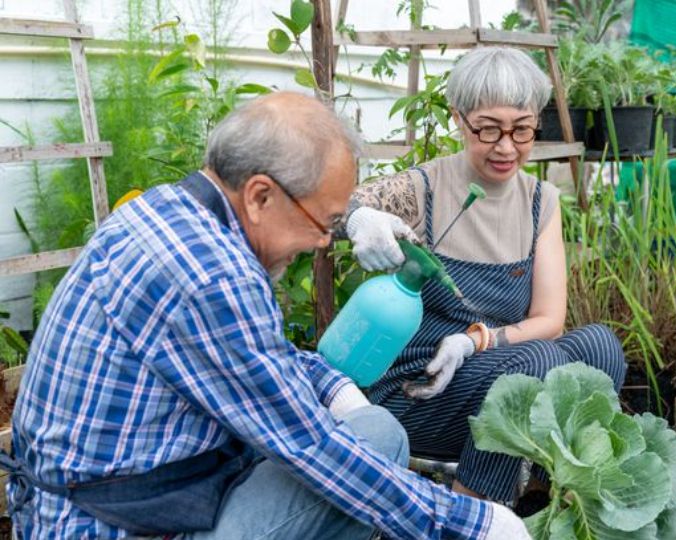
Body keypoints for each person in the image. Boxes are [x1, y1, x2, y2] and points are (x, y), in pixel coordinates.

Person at [2, 92, 529, 539]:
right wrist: (471, 523)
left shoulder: (169, 210)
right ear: (260, 195)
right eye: (322, 223)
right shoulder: (212, 276)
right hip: (116, 522)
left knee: (373, 430)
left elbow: (258, 355)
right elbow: (309, 447)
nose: (323, 242)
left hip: (121, 491)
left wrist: (330, 385)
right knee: (364, 455)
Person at [343, 47, 627, 504]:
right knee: (535, 365)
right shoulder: (424, 189)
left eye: (522, 129)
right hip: (417, 390)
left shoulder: (541, 203)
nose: (507, 147)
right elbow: (333, 202)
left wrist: (475, 340)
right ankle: (473, 520)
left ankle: (545, 501)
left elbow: (550, 319)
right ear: (460, 119)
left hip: (493, 373)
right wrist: (360, 220)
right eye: (489, 129)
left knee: (599, 346)